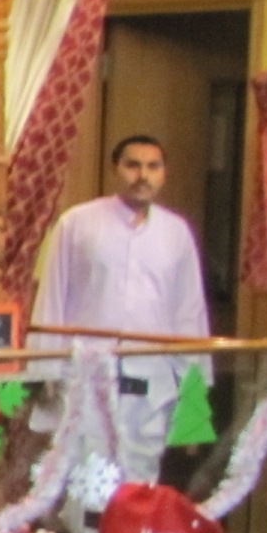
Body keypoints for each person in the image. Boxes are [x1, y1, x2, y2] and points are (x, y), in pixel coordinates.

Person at [30, 132, 211, 486]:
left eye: (152, 167)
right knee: (86, 484)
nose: (142, 175)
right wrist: (44, 370)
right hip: (87, 379)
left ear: (163, 174)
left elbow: (189, 313)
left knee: (139, 486)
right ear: (116, 170)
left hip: (151, 386)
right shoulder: (78, 224)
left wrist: (194, 390)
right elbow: (52, 298)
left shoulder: (176, 233)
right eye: (133, 165)